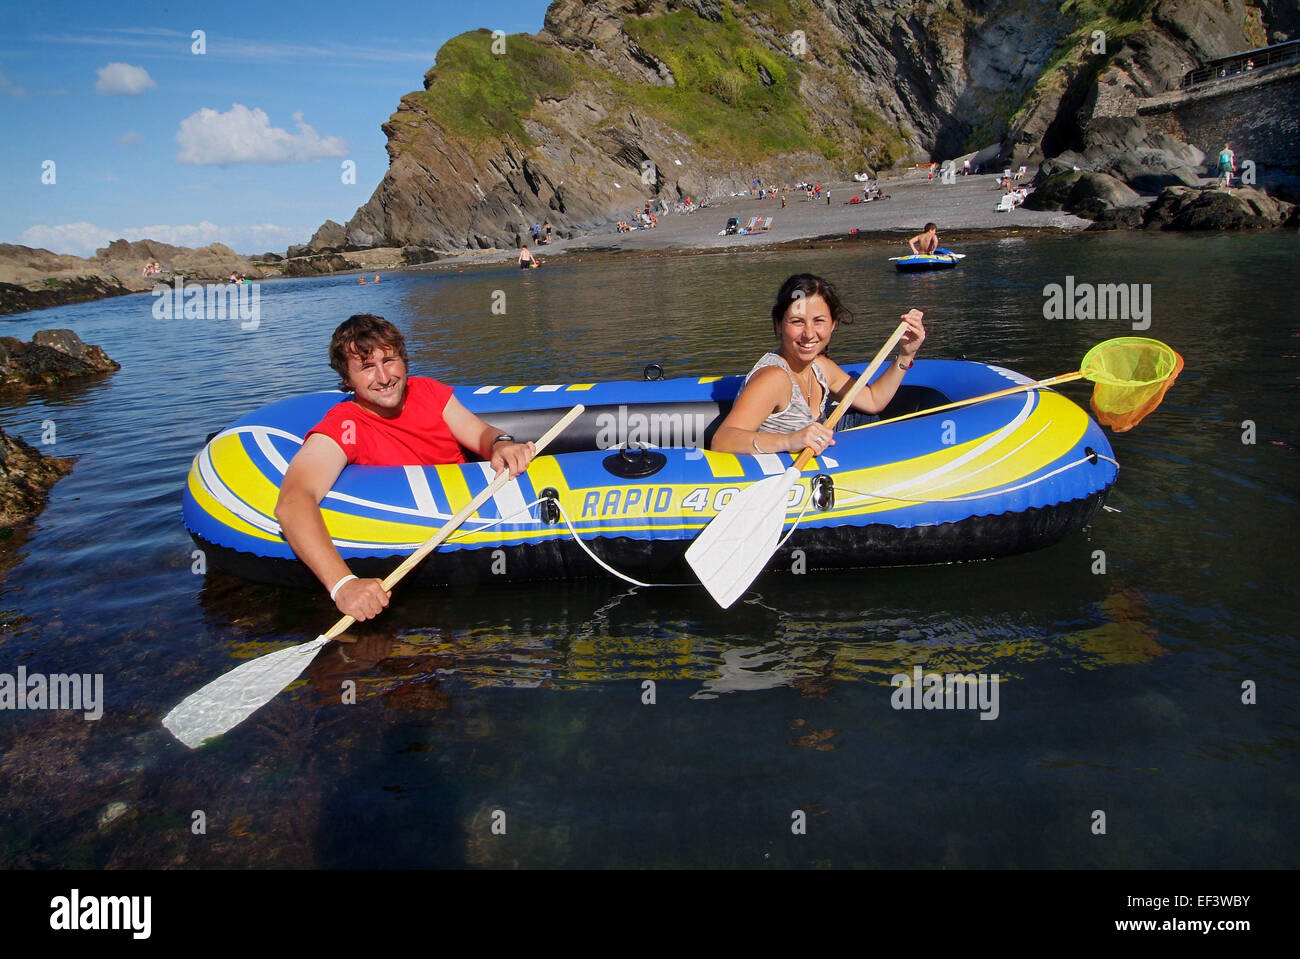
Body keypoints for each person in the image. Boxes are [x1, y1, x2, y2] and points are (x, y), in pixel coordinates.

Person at [274, 314, 537, 621]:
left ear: (404, 359)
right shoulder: (344, 427)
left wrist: (501, 444)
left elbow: (480, 434)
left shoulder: (428, 393)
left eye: (390, 360)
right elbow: (293, 502)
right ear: (347, 379)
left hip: (475, 525)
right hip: (414, 552)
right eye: (367, 367)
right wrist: (343, 585)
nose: (384, 377)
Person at [710, 275, 925, 455]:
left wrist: (906, 354)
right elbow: (722, 441)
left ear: (832, 325)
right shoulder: (774, 378)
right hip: (778, 479)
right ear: (778, 324)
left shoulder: (820, 367)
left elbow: (872, 401)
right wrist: (789, 441)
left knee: (873, 419)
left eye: (819, 321)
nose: (809, 334)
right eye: (797, 321)